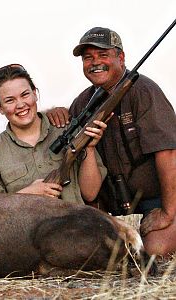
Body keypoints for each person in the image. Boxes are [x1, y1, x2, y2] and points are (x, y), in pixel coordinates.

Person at [47, 27, 176, 256]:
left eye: (103, 55)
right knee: (91, 249)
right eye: (88, 58)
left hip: (156, 198)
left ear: (121, 57)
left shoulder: (144, 91)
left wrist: (167, 212)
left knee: (154, 250)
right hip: (112, 201)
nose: (95, 62)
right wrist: (52, 113)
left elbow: (168, 153)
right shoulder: (82, 103)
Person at [0, 64, 107, 204]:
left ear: (34, 93)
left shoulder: (67, 128)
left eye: (25, 95)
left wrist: (89, 149)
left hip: (76, 224)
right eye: (10, 100)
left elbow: (90, 194)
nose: (20, 105)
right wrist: (26, 194)